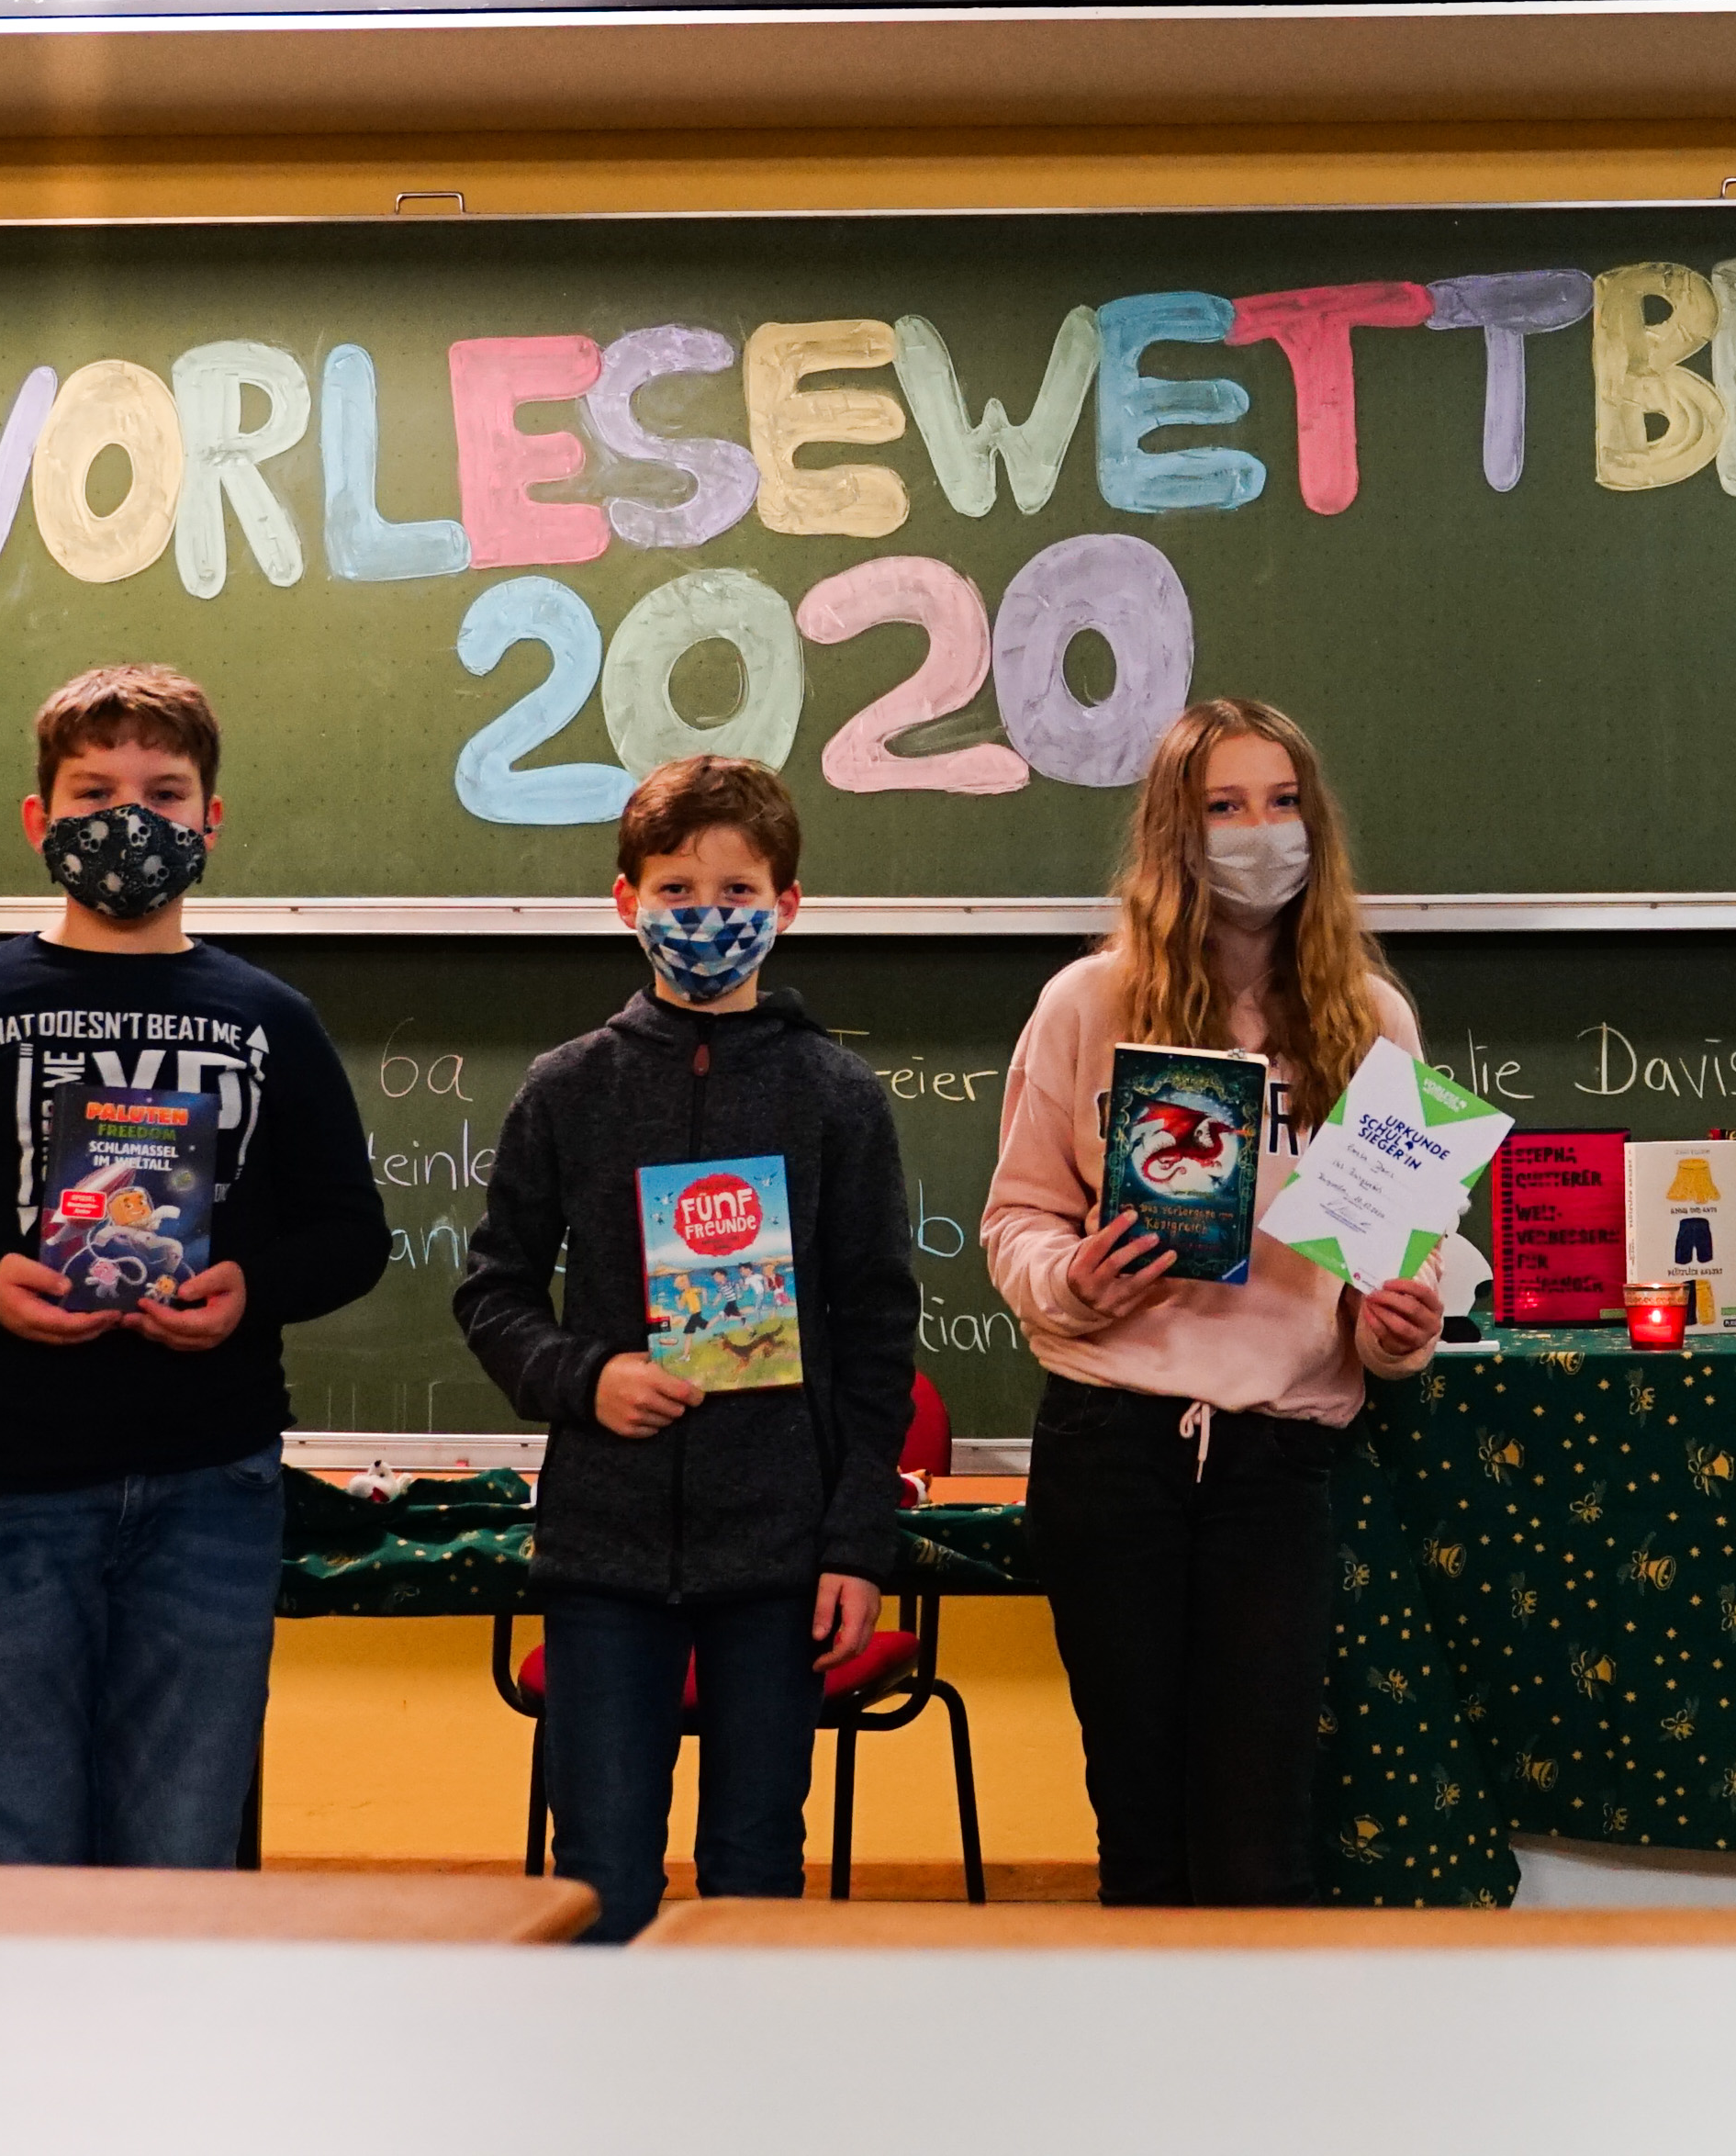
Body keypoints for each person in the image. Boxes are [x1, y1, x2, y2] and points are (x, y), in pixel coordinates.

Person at [0, 665, 386, 1868]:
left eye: (164, 793)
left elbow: (349, 1234)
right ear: (40, 818)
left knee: (181, 1850)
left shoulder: (271, 1020)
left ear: (211, 820)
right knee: (6, 1851)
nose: (131, 817)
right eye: (93, 791)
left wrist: (250, 1295)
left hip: (210, 1484)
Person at [980, 696, 1446, 1906]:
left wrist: (1401, 1329)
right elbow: (1016, 1220)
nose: (1260, 833)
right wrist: (1072, 1281)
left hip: (1277, 1464)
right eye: (1224, 807)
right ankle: (1145, 2036)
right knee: (1142, 1829)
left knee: (1256, 1839)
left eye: (1282, 803)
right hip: (1111, 1448)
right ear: (1173, 834)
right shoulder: (1088, 1003)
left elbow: (1404, 1265)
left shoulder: (1370, 1019)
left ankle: (1258, 2036)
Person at [456, 753, 914, 1941]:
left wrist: (854, 1544)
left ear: (787, 905)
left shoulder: (837, 1097)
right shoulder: (568, 1089)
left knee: (755, 1871)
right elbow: (494, 1291)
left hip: (779, 1558)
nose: (705, 914)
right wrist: (585, 1377)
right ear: (626, 901)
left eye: (736, 890)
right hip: (603, 1554)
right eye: (675, 889)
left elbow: (878, 1334)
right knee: (600, 1871)